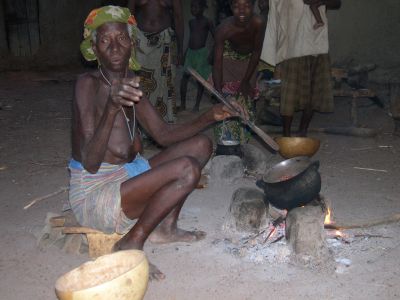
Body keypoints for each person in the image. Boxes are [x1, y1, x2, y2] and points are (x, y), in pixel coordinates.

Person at [73, 6, 245, 280]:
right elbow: (91, 164)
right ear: (94, 48)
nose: (115, 48)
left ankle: (165, 228)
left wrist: (210, 116)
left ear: (132, 44)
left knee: (201, 145)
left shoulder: (130, 82)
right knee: (187, 169)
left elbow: (163, 134)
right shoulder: (87, 85)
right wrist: (111, 108)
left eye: (122, 39)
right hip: (97, 193)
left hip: (128, 177)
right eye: (105, 41)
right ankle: (131, 242)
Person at [261, 0, 341, 137]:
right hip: (292, 46)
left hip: (317, 44)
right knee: (289, 93)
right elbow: (264, 5)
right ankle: (286, 136)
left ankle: (302, 131)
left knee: (313, 91)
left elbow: (337, 3)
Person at [211, 0, 266, 144]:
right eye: (237, 7)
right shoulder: (223, 29)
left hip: (249, 61)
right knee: (227, 100)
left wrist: (246, 80)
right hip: (228, 59)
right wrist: (219, 93)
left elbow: (256, 52)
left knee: (246, 101)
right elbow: (217, 63)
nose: (242, 11)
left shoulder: (258, 23)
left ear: (253, 6)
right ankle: (226, 142)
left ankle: (243, 142)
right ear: (231, 7)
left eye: (247, 6)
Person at [127, 0, 184, 123]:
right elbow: (128, 17)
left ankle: (163, 122)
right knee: (140, 81)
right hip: (140, 42)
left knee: (165, 83)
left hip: (165, 41)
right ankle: (141, 122)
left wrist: (180, 49)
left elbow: (178, 18)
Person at [180, 0, 214, 112]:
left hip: (201, 54)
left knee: (200, 81)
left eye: (196, 7)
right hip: (190, 53)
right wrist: (185, 54)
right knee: (184, 78)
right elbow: (191, 38)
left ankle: (197, 105)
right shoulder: (191, 22)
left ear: (203, 8)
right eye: (192, 7)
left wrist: (212, 54)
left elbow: (217, 38)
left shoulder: (207, 22)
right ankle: (183, 104)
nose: (193, 9)